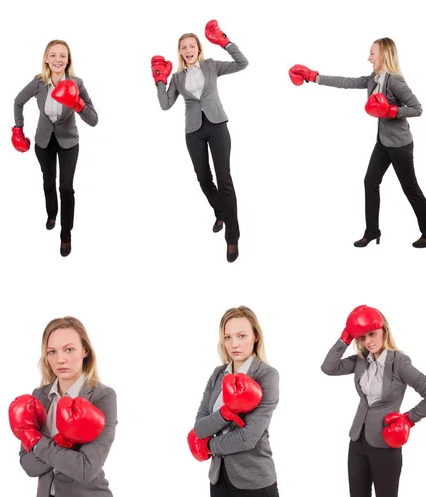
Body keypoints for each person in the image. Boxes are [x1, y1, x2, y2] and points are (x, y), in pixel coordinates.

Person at [289, 37, 426, 248]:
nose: (368, 57)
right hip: (383, 143)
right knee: (370, 182)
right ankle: (372, 231)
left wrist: (392, 110)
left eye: (372, 53)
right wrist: (315, 77)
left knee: (410, 188)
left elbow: (417, 108)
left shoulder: (395, 81)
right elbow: (348, 82)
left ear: (384, 55)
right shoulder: (374, 78)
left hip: (400, 146)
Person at [321, 305, 426, 497]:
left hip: (385, 444)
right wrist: (345, 338)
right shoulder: (361, 359)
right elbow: (328, 368)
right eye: (362, 337)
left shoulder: (399, 362)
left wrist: (408, 419)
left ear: (383, 330)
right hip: (357, 440)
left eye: (372, 334)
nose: (368, 341)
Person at [152, 20, 248, 262]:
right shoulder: (176, 77)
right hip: (193, 130)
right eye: (183, 47)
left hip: (217, 125)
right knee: (203, 178)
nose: (187, 50)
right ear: (180, 51)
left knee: (224, 178)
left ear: (199, 47)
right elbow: (165, 105)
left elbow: (242, 63)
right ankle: (220, 211)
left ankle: (232, 236)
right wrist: (159, 80)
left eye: (191, 45)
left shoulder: (211, 66)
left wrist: (225, 41)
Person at [8, 316, 117, 497]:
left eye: (69, 349)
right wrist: (64, 448)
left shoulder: (102, 396)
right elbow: (28, 465)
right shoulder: (39, 396)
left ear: (85, 351)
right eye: (52, 352)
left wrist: (35, 442)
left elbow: (85, 469)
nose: (60, 359)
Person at [12, 40, 98, 257]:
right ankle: (52, 213)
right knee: (48, 182)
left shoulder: (77, 83)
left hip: (69, 142)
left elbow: (94, 119)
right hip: (43, 141)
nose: (58, 59)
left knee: (66, 188)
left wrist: (77, 103)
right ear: (46, 58)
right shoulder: (39, 82)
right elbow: (18, 101)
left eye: (62, 55)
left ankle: (66, 233)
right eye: (53, 55)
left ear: (68, 60)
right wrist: (18, 129)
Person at [187, 306, 280, 496]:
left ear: (256, 337)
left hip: (255, 481)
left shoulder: (266, 375)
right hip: (219, 480)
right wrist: (225, 413)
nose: (234, 344)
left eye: (241, 336)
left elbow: (248, 438)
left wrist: (208, 446)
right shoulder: (218, 374)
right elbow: (200, 428)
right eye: (228, 337)